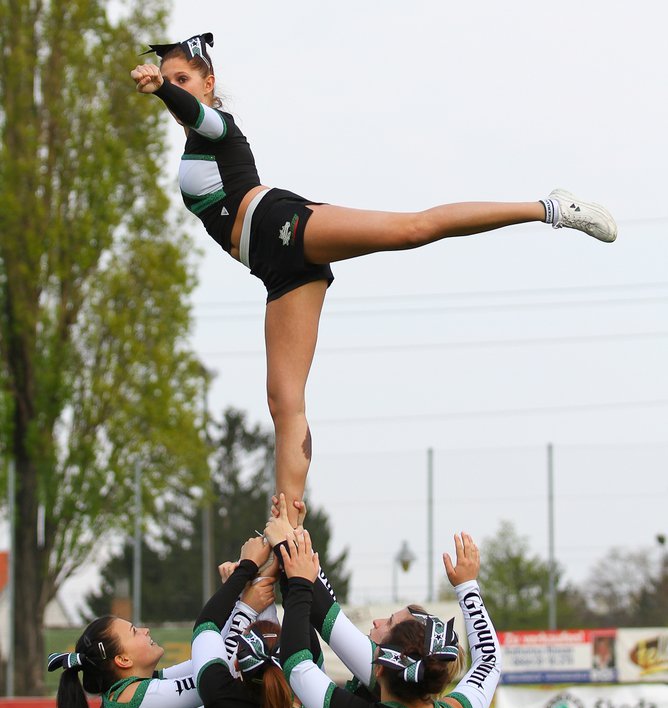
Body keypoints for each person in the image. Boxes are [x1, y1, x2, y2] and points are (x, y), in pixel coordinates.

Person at [130, 33, 618, 524]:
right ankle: (288, 531)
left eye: (183, 79)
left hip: (282, 225)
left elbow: (195, 113)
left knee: (412, 230)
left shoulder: (217, 126)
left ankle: (550, 208)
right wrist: (165, 89)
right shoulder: (194, 142)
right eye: (170, 79)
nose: (175, 87)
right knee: (284, 402)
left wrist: (161, 89)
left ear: (209, 83)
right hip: (274, 270)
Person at [269, 520, 499, 708]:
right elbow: (489, 660)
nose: (377, 623)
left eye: (389, 623)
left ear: (377, 669)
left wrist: (293, 553)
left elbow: (303, 656)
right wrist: (467, 586)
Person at [191, 535, 328, 708]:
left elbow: (206, 626)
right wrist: (290, 578)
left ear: (236, 663)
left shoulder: (217, 692)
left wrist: (246, 573)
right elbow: (313, 661)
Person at [48, 617, 202, 708]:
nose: (146, 630)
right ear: (123, 660)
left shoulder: (134, 689)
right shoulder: (137, 696)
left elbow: (204, 665)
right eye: (134, 631)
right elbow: (210, 678)